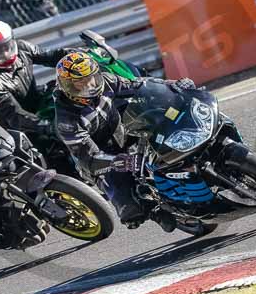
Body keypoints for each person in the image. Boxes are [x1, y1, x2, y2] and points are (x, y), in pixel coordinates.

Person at [53, 51, 195, 232]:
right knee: (131, 211)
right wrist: (120, 161)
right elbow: (89, 158)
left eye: (90, 79)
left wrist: (173, 84)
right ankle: (153, 210)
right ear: (66, 86)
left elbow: (140, 84)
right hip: (101, 161)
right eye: (79, 84)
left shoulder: (106, 81)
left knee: (159, 116)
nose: (88, 86)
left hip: (122, 133)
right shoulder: (66, 120)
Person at [0, 19, 70, 137]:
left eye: (6, 46)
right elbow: (15, 116)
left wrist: (79, 56)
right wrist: (48, 127)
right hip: (15, 133)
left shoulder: (22, 48)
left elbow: (51, 56)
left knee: (60, 88)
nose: (5, 54)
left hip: (35, 104)